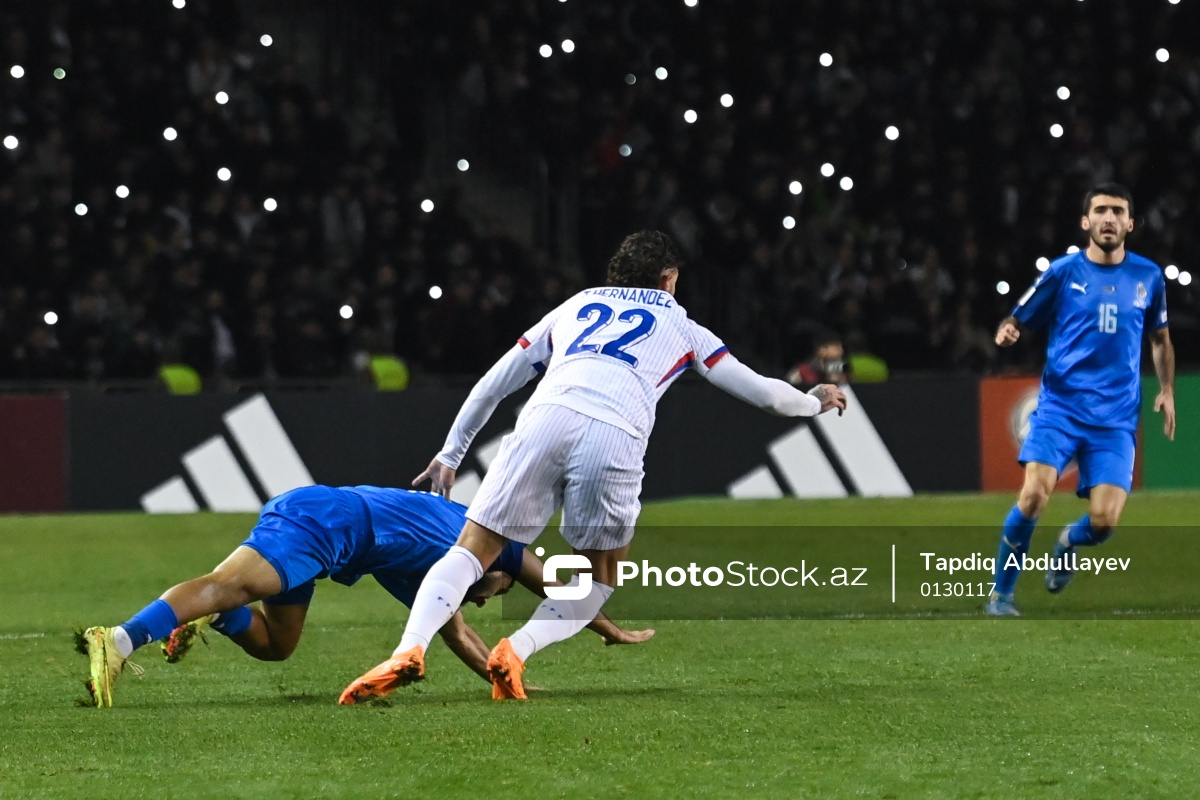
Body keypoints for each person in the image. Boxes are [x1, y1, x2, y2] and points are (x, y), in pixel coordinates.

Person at [339, 230, 847, 704]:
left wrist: (451, 455)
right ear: (669, 279)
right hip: (615, 432)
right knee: (596, 578)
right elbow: (763, 394)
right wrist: (814, 401)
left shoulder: (578, 305)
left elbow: (494, 383)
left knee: (471, 552)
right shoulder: (683, 325)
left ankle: (409, 647)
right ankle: (515, 649)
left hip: (544, 419)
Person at [78, 485, 653, 707]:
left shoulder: (438, 572)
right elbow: (560, 582)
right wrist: (611, 628)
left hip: (331, 528)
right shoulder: (495, 541)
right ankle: (120, 641)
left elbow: (455, 633)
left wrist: (508, 677)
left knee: (277, 644)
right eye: (496, 591)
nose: (486, 597)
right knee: (228, 580)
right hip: (332, 523)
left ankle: (222, 619)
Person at [985, 183, 1175, 616]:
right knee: (1033, 495)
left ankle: (1069, 541)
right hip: (1060, 410)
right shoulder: (1064, 271)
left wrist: (1166, 390)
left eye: (1118, 211)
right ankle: (1002, 594)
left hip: (1115, 419)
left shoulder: (1149, 277)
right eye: (1101, 210)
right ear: (1086, 222)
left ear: (1130, 223)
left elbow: (1161, 339)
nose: (1110, 218)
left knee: (1104, 523)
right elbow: (1021, 313)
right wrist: (1011, 326)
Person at [786, 334, 850, 388]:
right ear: (822, 350)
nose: (841, 351)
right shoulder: (802, 371)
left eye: (841, 348)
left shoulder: (840, 369)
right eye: (837, 348)